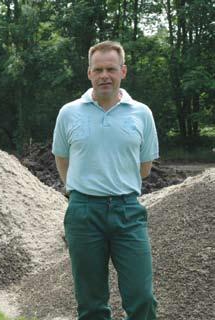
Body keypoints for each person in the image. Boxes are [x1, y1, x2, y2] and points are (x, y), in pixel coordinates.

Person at [52, 40, 158, 319]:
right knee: (91, 302)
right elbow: (62, 158)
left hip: (128, 212)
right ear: (89, 73)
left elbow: (144, 167)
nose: (104, 75)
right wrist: (80, 191)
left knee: (141, 297)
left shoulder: (142, 113)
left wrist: (115, 181)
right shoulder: (69, 112)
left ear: (123, 71)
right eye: (98, 69)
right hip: (84, 214)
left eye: (111, 68)